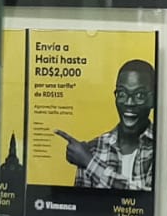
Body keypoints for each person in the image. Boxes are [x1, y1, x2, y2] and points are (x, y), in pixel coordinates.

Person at [54, 59, 156, 191]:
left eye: (139, 95)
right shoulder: (93, 150)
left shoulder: (161, 149)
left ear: (153, 100)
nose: (129, 103)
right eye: (122, 93)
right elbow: (81, 203)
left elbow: (144, 198)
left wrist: (90, 163)